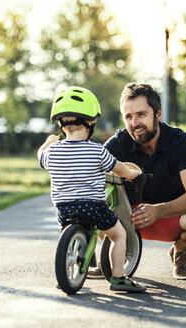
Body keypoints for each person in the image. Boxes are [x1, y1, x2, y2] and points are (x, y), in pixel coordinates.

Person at [103, 82, 186, 280]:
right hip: (130, 219)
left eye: (141, 114)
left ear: (157, 114)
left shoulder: (180, 141)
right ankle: (113, 257)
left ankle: (180, 251)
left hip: (172, 217)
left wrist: (158, 210)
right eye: (128, 117)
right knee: (91, 206)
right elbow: (89, 173)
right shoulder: (118, 143)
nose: (134, 123)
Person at [38, 86, 146, 293]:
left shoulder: (52, 152)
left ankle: (68, 270)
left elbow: (39, 157)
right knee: (119, 235)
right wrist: (132, 175)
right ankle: (118, 278)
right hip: (93, 206)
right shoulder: (97, 150)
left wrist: (46, 143)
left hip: (63, 208)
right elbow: (119, 168)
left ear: (61, 126)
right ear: (91, 123)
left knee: (73, 231)